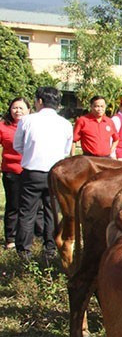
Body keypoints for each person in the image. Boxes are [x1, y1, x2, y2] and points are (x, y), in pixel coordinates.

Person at [13, 86, 73, 262]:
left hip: (32, 172)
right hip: (56, 173)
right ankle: (50, 248)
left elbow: (18, 146)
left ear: (39, 101)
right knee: (52, 211)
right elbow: (65, 150)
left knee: (27, 212)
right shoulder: (65, 124)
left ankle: (24, 251)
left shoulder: (27, 120)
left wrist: (31, 153)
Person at [1, 98, 33, 249]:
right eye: (15, 108)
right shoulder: (3, 126)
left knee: (29, 206)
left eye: (21, 108)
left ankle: (31, 236)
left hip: (30, 171)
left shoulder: (33, 125)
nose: (18, 111)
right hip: (11, 171)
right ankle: (11, 238)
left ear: (28, 110)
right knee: (13, 205)